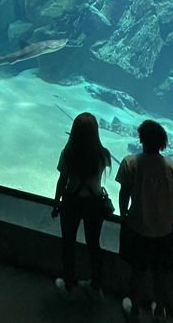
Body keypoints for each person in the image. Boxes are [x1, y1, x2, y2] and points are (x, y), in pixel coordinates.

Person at [116, 120, 173, 322]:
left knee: (137, 272)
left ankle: (135, 308)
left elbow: (123, 194)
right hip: (163, 231)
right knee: (160, 274)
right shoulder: (172, 168)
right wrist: (171, 225)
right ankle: (159, 311)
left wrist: (123, 216)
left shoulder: (130, 163)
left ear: (141, 139)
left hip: (137, 227)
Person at [52, 111, 112, 297]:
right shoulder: (103, 154)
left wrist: (56, 202)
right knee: (94, 244)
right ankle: (96, 285)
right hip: (94, 203)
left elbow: (62, 181)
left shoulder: (68, 153)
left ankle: (69, 284)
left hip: (71, 202)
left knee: (68, 243)